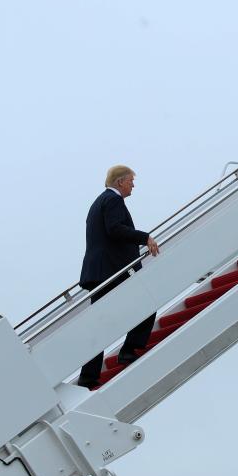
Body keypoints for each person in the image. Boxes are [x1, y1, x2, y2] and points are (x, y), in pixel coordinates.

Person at [77, 165, 160, 389]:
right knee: (146, 302)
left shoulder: (99, 202)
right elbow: (115, 229)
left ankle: (88, 376)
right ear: (120, 181)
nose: (133, 185)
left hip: (99, 270)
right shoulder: (113, 201)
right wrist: (145, 238)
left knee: (100, 323)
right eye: (131, 180)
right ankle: (129, 350)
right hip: (111, 269)